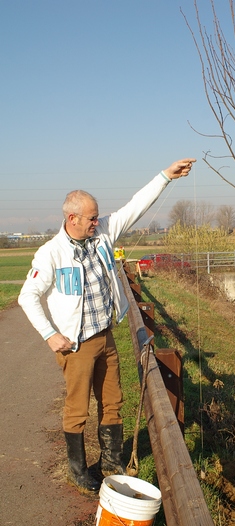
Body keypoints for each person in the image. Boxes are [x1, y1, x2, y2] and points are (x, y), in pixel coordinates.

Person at [18, 158, 196, 495]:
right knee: (77, 408)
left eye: (97, 216)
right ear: (72, 218)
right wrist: (51, 335)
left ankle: (112, 462)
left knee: (112, 400)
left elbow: (136, 206)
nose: (97, 221)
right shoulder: (51, 254)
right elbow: (28, 296)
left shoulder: (102, 235)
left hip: (105, 336)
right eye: (91, 217)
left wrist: (165, 177)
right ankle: (77, 470)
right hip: (77, 345)